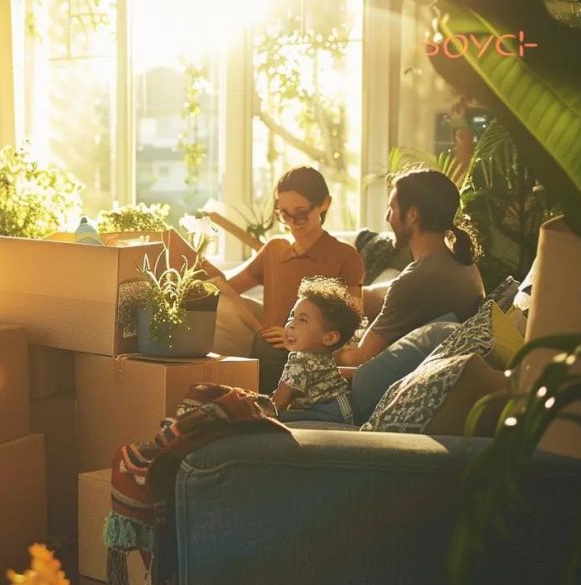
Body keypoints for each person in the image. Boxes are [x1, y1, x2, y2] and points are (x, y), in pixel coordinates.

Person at [204, 167, 364, 393]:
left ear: (324, 204)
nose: (292, 222)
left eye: (300, 213)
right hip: (265, 351)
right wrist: (199, 263)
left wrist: (295, 338)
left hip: (310, 358)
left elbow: (353, 323)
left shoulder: (344, 255)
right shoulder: (274, 250)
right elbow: (226, 288)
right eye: (284, 214)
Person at [335, 168, 484, 367]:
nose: (387, 217)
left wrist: (312, 350)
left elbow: (362, 358)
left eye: (392, 208)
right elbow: (384, 293)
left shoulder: (415, 281)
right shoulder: (461, 263)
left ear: (413, 215)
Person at [272, 277, 361, 424]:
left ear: (329, 338)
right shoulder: (322, 357)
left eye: (302, 320)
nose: (290, 325)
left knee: (279, 418)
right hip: (347, 408)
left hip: (328, 413)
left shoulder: (299, 361)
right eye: (292, 316)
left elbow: (278, 403)